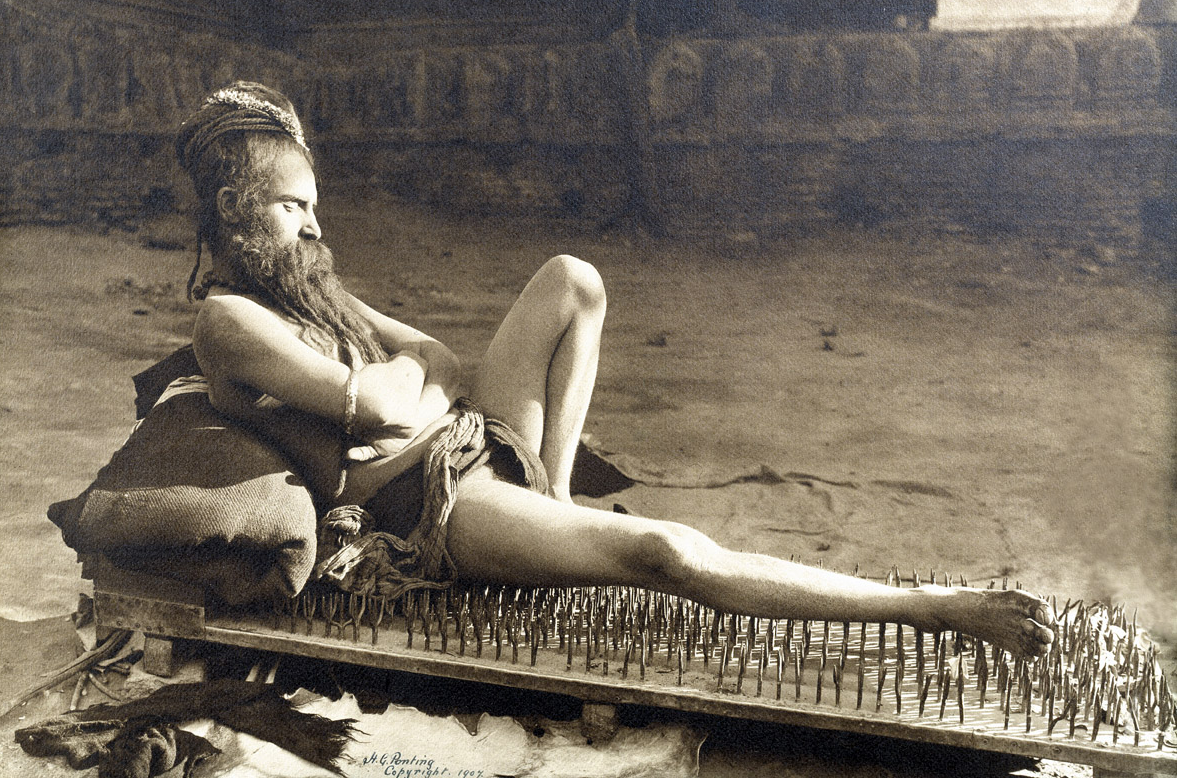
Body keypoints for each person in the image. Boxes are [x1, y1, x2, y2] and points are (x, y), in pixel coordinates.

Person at [175, 81, 1055, 658]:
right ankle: (934, 607)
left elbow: (430, 362)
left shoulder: (309, 283)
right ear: (236, 209)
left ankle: (552, 499)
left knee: (573, 280)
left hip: (461, 440)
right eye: (296, 207)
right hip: (429, 506)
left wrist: (415, 389)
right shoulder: (231, 318)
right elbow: (369, 408)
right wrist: (410, 389)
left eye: (316, 206)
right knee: (662, 551)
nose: (318, 228)